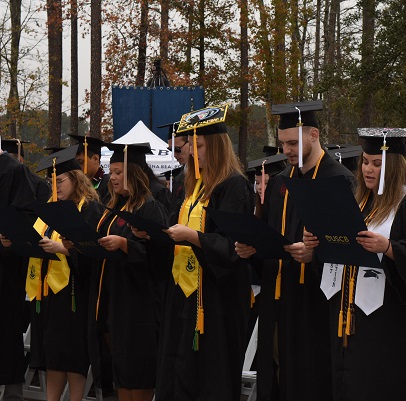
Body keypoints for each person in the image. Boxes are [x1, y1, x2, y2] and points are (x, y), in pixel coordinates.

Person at [303, 128, 406, 401]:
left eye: (376, 163)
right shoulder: (358, 203)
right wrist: (316, 246)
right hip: (347, 316)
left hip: (388, 324)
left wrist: (388, 248)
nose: (368, 169)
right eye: (365, 161)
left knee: (378, 385)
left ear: (394, 167)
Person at [235, 100, 355, 401]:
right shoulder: (279, 184)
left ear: (314, 134)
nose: (286, 150)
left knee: (309, 378)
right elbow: (272, 238)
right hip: (277, 297)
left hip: (314, 302)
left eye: (292, 142)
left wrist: (315, 253)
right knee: (275, 377)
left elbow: (350, 245)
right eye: (282, 143)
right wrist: (253, 250)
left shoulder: (338, 178)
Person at [154, 105, 254, 401]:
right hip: (183, 292)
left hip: (216, 297)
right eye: (191, 146)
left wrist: (194, 237)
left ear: (217, 147)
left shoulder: (234, 186)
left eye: (199, 146)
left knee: (210, 373)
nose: (193, 153)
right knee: (178, 365)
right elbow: (173, 224)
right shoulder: (190, 186)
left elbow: (233, 245)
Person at [17, 146, 101, 401]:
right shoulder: (50, 210)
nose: (56, 186)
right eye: (52, 181)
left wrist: (63, 250)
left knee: (73, 355)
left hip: (76, 291)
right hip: (49, 292)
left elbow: (93, 252)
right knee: (52, 353)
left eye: (61, 181)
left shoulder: (90, 210)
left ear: (76, 179)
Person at [91, 142, 167, 401]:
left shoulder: (149, 207)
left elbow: (160, 255)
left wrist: (125, 245)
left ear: (133, 173)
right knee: (121, 365)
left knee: (138, 366)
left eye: (118, 172)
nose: (111, 177)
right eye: (110, 171)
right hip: (116, 297)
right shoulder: (114, 208)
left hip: (139, 303)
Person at [0, 138, 51, 401]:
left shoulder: (11, 170)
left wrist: (9, 238)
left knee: (6, 327)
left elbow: (25, 216)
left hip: (5, 268)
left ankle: (11, 390)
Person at [69, 134, 110, 202]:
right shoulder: (76, 186)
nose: (77, 167)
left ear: (95, 159)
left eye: (81, 162)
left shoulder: (108, 184)